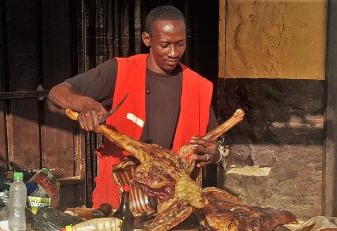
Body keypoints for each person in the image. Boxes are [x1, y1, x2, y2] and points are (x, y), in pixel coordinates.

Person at [48, 5, 221, 209]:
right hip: (120, 197)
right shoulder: (120, 71)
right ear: (147, 39)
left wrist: (215, 154)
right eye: (165, 45)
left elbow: (214, 145)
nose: (174, 53)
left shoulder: (198, 86)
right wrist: (86, 105)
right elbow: (57, 92)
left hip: (173, 201)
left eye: (180, 44)